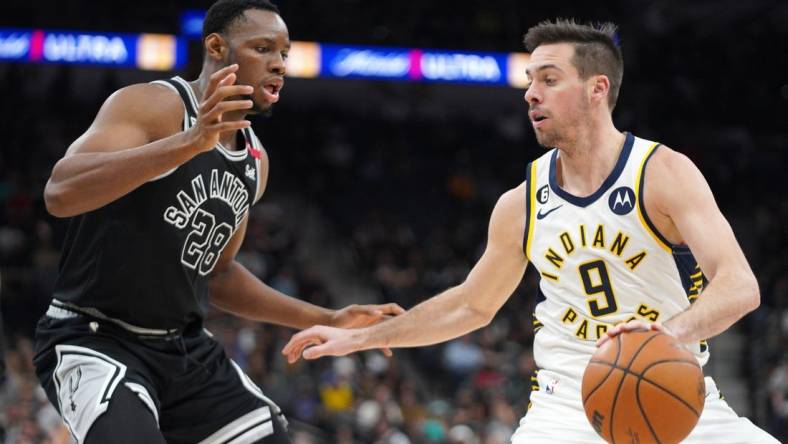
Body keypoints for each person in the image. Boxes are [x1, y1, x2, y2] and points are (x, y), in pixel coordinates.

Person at [283, 19, 779, 443]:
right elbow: (469, 305)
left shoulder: (662, 172)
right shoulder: (520, 202)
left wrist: (669, 334)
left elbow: (739, 285)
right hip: (566, 406)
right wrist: (362, 339)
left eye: (548, 78)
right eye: (529, 80)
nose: (530, 93)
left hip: (675, 390)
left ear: (597, 88)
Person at [33, 1, 403, 443]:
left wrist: (327, 316)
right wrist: (189, 143)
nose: (279, 65)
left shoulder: (254, 161)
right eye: (263, 48)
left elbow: (220, 275)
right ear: (216, 46)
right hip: (95, 338)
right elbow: (60, 192)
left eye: (284, 54)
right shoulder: (154, 105)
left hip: (183, 348)